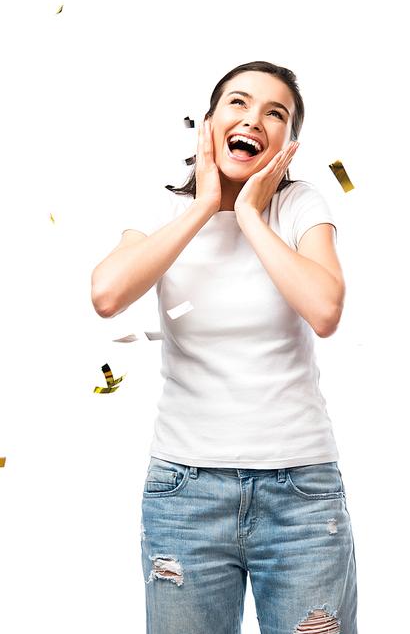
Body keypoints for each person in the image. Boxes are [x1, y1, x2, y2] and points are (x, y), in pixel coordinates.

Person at [91, 61, 358, 634]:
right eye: (238, 103)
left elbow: (325, 310)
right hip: (184, 494)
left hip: (302, 495)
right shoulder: (163, 207)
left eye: (275, 113)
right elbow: (108, 295)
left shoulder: (301, 205)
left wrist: (247, 216)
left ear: (289, 143)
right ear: (208, 124)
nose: (253, 119)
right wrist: (202, 206)